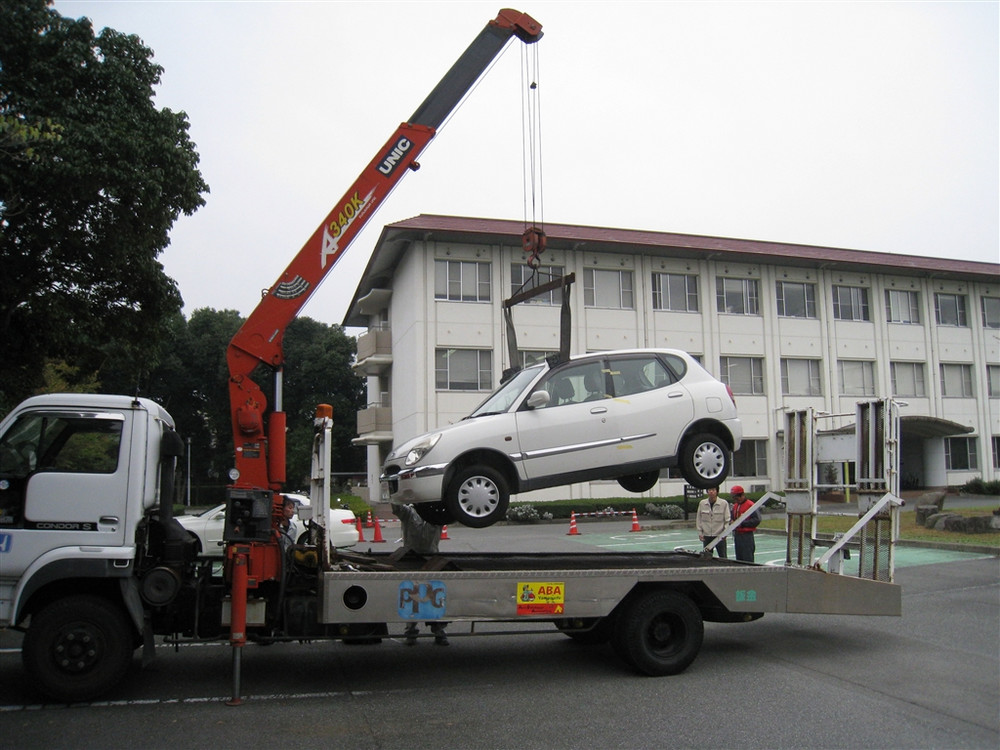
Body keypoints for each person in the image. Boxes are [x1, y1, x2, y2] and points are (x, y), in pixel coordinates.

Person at [392, 503, 449, 645]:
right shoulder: (409, 512)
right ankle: (411, 631)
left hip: (432, 560)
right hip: (412, 560)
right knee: (412, 597)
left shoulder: (437, 514)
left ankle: (438, 630)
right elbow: (396, 507)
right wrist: (397, 486)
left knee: (435, 596)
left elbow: (451, 513)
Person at [696, 486, 729, 558]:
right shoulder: (702, 503)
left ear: (717, 491)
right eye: (709, 490)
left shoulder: (724, 503)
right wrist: (700, 533)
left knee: (723, 557)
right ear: (707, 491)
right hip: (707, 535)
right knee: (707, 557)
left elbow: (727, 520)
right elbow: (699, 519)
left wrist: (725, 533)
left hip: (719, 536)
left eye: (713, 490)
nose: (711, 492)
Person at [729, 485, 760, 563]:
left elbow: (757, 520)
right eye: (734, 498)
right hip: (737, 535)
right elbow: (732, 517)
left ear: (742, 495)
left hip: (747, 536)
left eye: (736, 498)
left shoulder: (750, 505)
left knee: (748, 558)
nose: (735, 500)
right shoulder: (736, 506)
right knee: (739, 558)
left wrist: (742, 524)